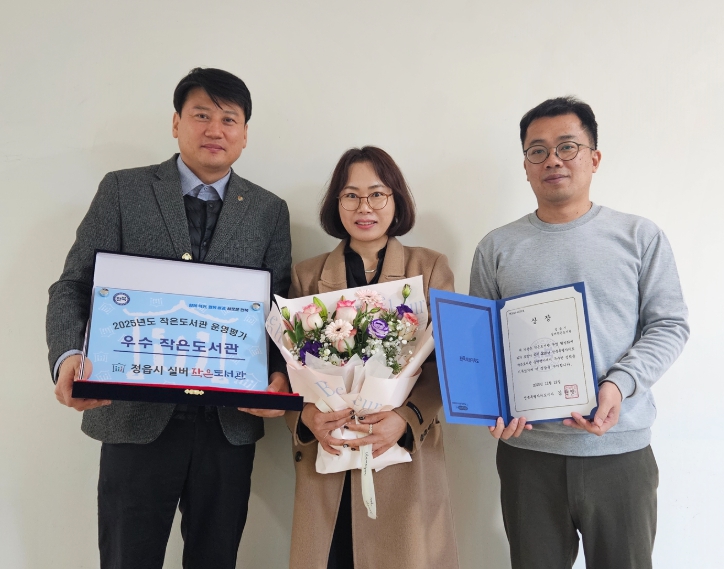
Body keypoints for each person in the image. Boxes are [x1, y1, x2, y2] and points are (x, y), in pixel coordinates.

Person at [45, 67, 292, 569]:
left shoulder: (269, 210)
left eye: (229, 119)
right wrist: (69, 355)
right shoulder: (123, 189)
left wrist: (280, 374)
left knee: (216, 558)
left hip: (228, 425)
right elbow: (72, 284)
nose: (215, 129)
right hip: (132, 415)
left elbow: (279, 307)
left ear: (245, 134)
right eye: (201, 115)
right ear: (176, 122)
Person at [469, 96, 689, 568]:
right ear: (525, 165)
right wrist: (490, 404)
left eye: (567, 146)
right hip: (528, 455)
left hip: (619, 451)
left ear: (594, 157)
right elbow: (481, 346)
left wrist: (619, 383)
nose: (552, 160)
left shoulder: (639, 236)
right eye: (538, 150)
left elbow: (669, 324)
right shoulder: (496, 248)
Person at [285, 146, 459, 569]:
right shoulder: (307, 275)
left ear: (396, 199)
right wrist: (306, 417)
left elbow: (447, 364)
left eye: (377, 194)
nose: (364, 207)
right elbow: (286, 367)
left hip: (402, 453)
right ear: (336, 203)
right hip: (329, 451)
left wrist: (406, 418)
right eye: (351, 195)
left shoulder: (429, 268)